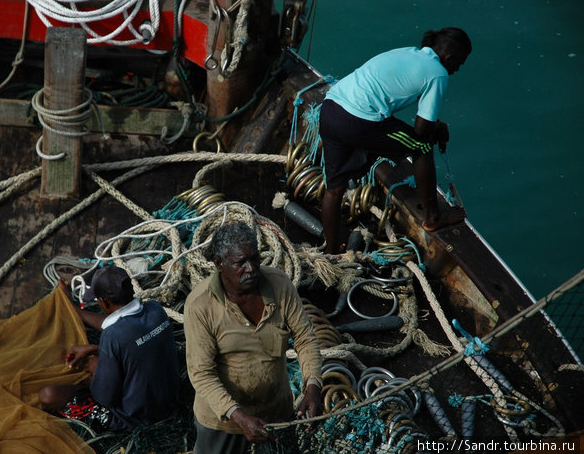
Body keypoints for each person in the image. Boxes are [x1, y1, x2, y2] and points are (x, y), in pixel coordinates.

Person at [319, 27, 472, 254]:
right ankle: (433, 217)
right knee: (421, 146)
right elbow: (421, 131)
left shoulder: (407, 52)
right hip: (358, 121)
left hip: (331, 109)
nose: (457, 70)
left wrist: (435, 125)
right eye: (459, 63)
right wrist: (437, 128)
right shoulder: (438, 72)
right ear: (449, 58)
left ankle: (331, 250)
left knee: (334, 189)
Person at [184, 221, 323, 453]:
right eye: (240, 263)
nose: (251, 268)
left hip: (276, 411)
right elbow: (201, 373)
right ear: (219, 264)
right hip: (223, 422)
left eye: (255, 259)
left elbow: (305, 338)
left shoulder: (280, 285)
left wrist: (313, 385)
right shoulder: (200, 306)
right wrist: (238, 416)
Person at [38, 265, 180, 432]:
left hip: (136, 419)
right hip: (169, 402)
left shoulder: (113, 337)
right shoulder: (155, 310)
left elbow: (104, 397)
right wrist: (76, 313)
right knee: (97, 362)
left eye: (98, 300)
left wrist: (94, 368)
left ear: (104, 302)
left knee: (48, 395)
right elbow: (128, 336)